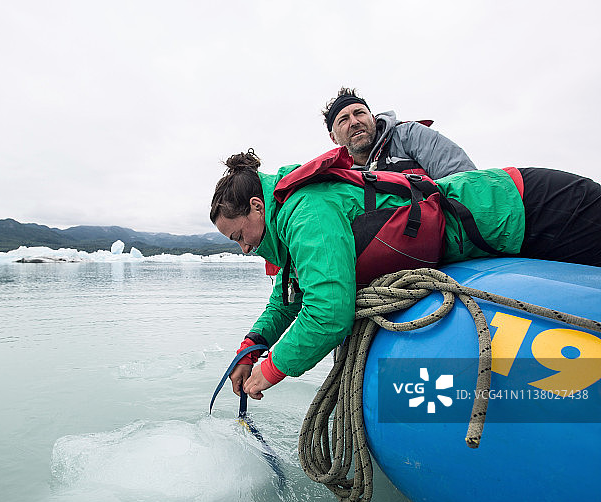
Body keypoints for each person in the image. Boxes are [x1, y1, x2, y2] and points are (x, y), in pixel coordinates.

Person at [210, 147, 601, 401]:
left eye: (239, 235)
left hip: (517, 205)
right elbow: (287, 298)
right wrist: (251, 346)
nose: (244, 248)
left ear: (257, 207)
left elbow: (328, 313)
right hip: (506, 219)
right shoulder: (289, 228)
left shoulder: (307, 211)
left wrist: (270, 371)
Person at [324, 87, 476, 180]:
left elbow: (462, 178)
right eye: (343, 120)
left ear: (373, 119)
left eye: (359, 113)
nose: (354, 122)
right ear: (333, 138)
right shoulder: (337, 176)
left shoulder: (410, 135)